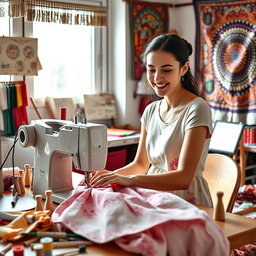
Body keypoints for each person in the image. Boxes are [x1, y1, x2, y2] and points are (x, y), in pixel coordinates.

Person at [90, 34, 213, 207]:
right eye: (151, 69)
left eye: (166, 69)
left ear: (184, 68)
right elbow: (140, 164)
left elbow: (184, 178)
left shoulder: (197, 109)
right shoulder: (151, 111)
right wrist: (108, 178)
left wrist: (129, 180)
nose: (156, 78)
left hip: (186, 200)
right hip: (153, 195)